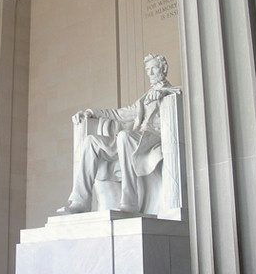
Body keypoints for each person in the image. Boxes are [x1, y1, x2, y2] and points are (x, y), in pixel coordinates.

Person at [57, 53, 179, 214]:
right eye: (147, 69)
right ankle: (80, 201)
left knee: (124, 136)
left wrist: (164, 94)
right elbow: (121, 113)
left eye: (153, 68)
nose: (149, 73)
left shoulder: (173, 91)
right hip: (134, 138)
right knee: (91, 141)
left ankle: (129, 202)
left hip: (154, 137)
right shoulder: (144, 99)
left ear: (163, 68)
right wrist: (92, 112)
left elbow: (183, 95)